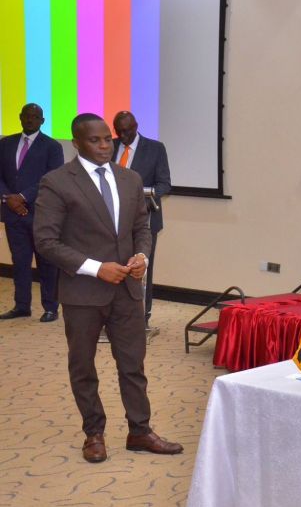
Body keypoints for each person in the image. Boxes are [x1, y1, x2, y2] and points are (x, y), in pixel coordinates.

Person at [33, 113, 183, 463]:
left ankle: (140, 431)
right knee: (83, 367)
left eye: (107, 139)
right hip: (83, 294)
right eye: (94, 140)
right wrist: (96, 268)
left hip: (127, 292)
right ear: (76, 143)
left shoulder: (130, 179)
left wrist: (142, 256)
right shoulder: (57, 182)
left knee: (133, 365)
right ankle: (94, 433)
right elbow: (46, 241)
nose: (104, 146)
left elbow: (141, 227)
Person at [0, 103, 64, 322]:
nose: (30, 119)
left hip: (41, 214)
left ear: (42, 121)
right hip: (12, 213)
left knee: (46, 263)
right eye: (26, 116)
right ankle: (21, 306)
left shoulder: (52, 146)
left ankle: (50, 308)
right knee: (20, 262)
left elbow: (51, 179)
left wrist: (22, 197)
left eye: (35, 117)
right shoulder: (5, 143)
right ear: (20, 117)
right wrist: (8, 198)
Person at [112, 111, 171, 328]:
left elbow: (164, 184)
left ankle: (142, 316)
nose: (123, 135)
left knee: (141, 268)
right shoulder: (109, 146)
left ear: (136, 126)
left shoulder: (155, 148)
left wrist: (145, 197)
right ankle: (113, 315)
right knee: (114, 265)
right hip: (112, 220)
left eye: (127, 131)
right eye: (119, 131)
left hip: (143, 219)